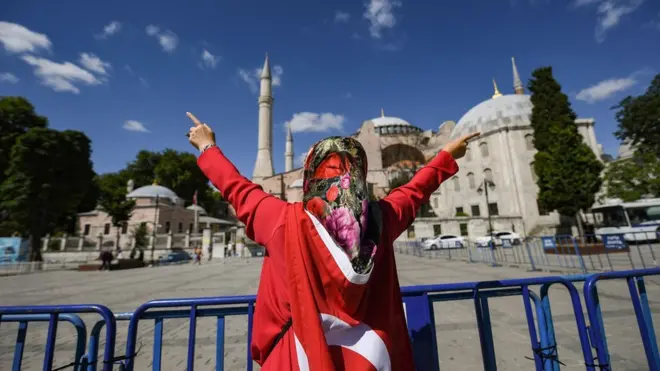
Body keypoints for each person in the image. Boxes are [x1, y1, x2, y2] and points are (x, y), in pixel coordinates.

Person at [186, 112, 478, 370]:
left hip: (295, 356)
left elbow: (237, 188)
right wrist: (446, 157)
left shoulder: (281, 221)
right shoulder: (383, 219)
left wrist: (207, 146)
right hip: (373, 356)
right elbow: (414, 192)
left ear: (312, 173)